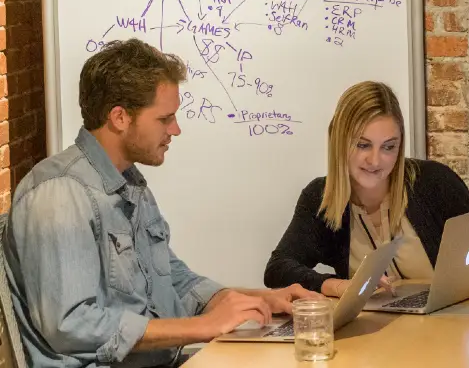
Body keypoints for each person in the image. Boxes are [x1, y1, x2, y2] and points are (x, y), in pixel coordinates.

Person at [3, 39, 321, 368]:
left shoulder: (128, 182)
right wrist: (199, 327)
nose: (176, 129)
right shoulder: (59, 196)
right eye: (164, 118)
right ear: (120, 117)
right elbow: (71, 325)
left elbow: (171, 281)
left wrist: (251, 299)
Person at [264, 81, 469, 298]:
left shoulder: (434, 183)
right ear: (339, 142)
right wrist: (338, 285)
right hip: (371, 340)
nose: (375, 161)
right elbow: (278, 269)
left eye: (388, 147)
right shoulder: (320, 197)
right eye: (363, 145)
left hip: (446, 332)